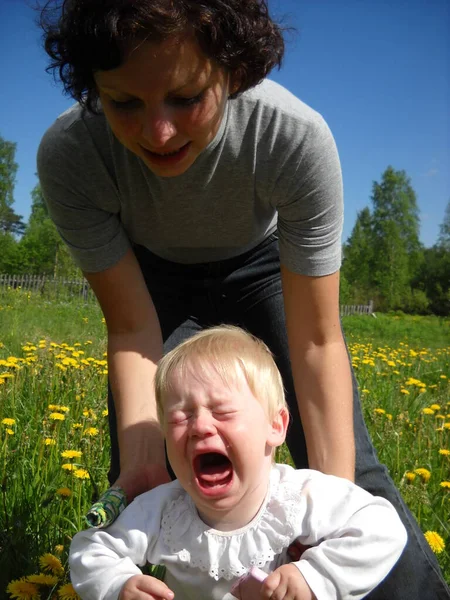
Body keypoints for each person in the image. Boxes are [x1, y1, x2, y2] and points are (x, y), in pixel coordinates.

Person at [37, 1, 449, 598]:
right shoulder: (72, 155)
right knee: (150, 476)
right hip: (154, 281)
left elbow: (315, 340)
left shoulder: (293, 138)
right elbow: (131, 327)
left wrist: (323, 534)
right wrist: (141, 465)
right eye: (123, 103)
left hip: (264, 266)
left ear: (232, 71)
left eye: (187, 97)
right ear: (94, 89)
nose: (159, 131)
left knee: (348, 483)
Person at [69, 326, 408, 600]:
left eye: (223, 412)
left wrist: (316, 576)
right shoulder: (165, 511)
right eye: (180, 417)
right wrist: (117, 585)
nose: (200, 426)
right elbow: (90, 547)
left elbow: (382, 528)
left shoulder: (297, 497)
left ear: (275, 427)